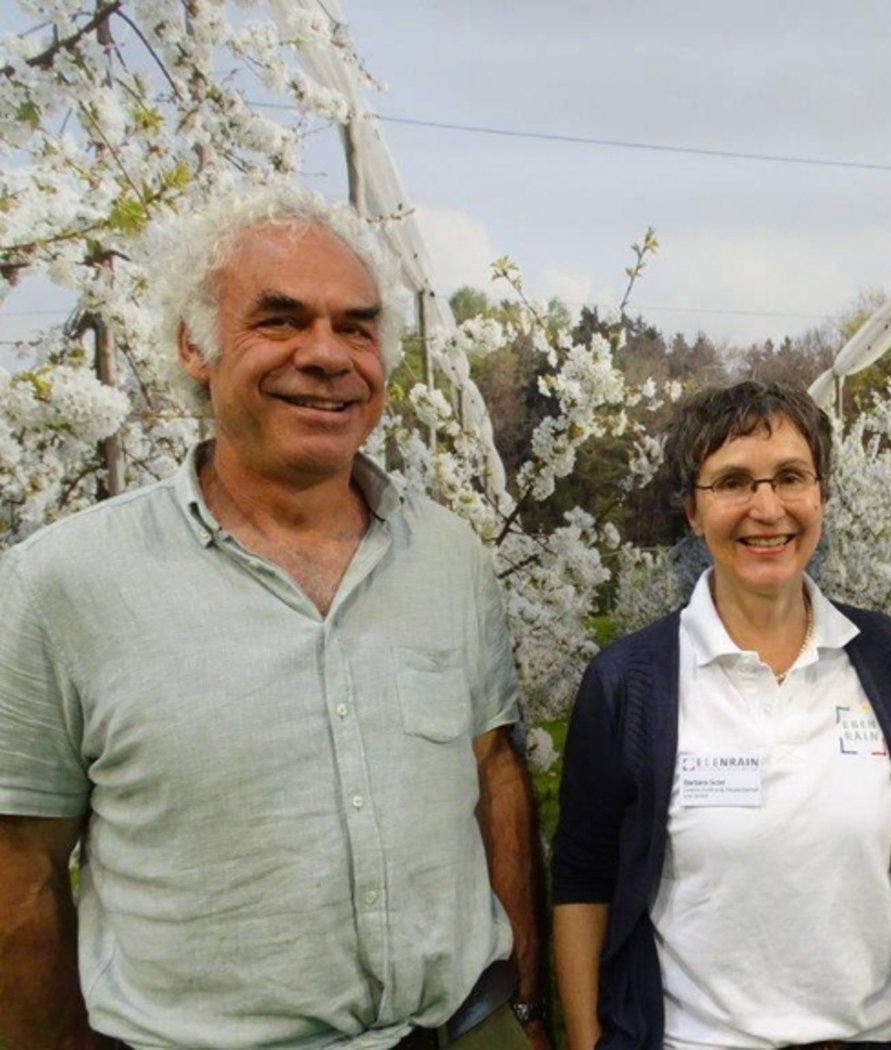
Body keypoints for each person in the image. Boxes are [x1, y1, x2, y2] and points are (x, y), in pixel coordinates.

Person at [0, 185, 550, 1050]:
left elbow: (495, 776)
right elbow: (20, 871)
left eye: (356, 327)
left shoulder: (449, 559)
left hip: (466, 1029)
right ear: (195, 344)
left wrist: (524, 1008)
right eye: (281, 320)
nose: (327, 355)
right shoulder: (62, 586)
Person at [551, 380, 891, 1050]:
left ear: (821, 493)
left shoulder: (880, 655)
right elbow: (584, 876)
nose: (766, 509)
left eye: (790, 477)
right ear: (691, 508)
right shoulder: (631, 683)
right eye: (733, 482)